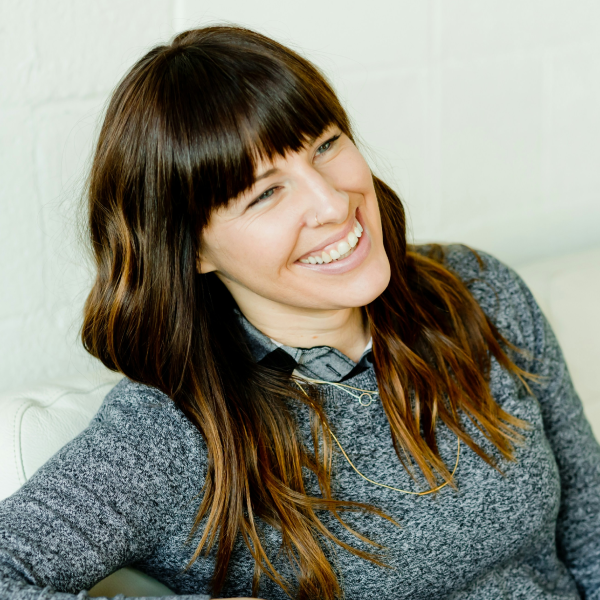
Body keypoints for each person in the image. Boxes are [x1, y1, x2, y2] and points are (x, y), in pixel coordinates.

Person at [1, 25, 599, 600]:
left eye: (326, 146)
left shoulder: (473, 290)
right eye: (264, 193)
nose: (334, 203)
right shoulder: (173, 432)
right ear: (191, 250)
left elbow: (590, 524)